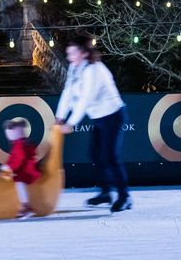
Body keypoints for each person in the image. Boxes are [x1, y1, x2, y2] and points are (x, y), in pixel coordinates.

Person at [55, 34, 131, 213]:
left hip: (113, 115)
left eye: (72, 53)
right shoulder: (75, 68)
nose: (68, 57)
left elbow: (85, 100)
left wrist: (71, 123)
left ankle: (124, 196)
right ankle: (106, 193)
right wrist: (59, 117)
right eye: (68, 53)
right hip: (98, 117)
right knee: (95, 155)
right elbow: (68, 93)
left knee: (109, 157)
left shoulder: (94, 69)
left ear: (82, 53)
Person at [0, 117, 40, 219]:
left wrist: (11, 168)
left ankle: (26, 205)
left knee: (19, 182)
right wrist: (8, 165)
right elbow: (14, 158)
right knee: (17, 180)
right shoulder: (19, 144)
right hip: (24, 167)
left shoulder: (19, 145)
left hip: (27, 169)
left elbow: (19, 159)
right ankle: (26, 206)